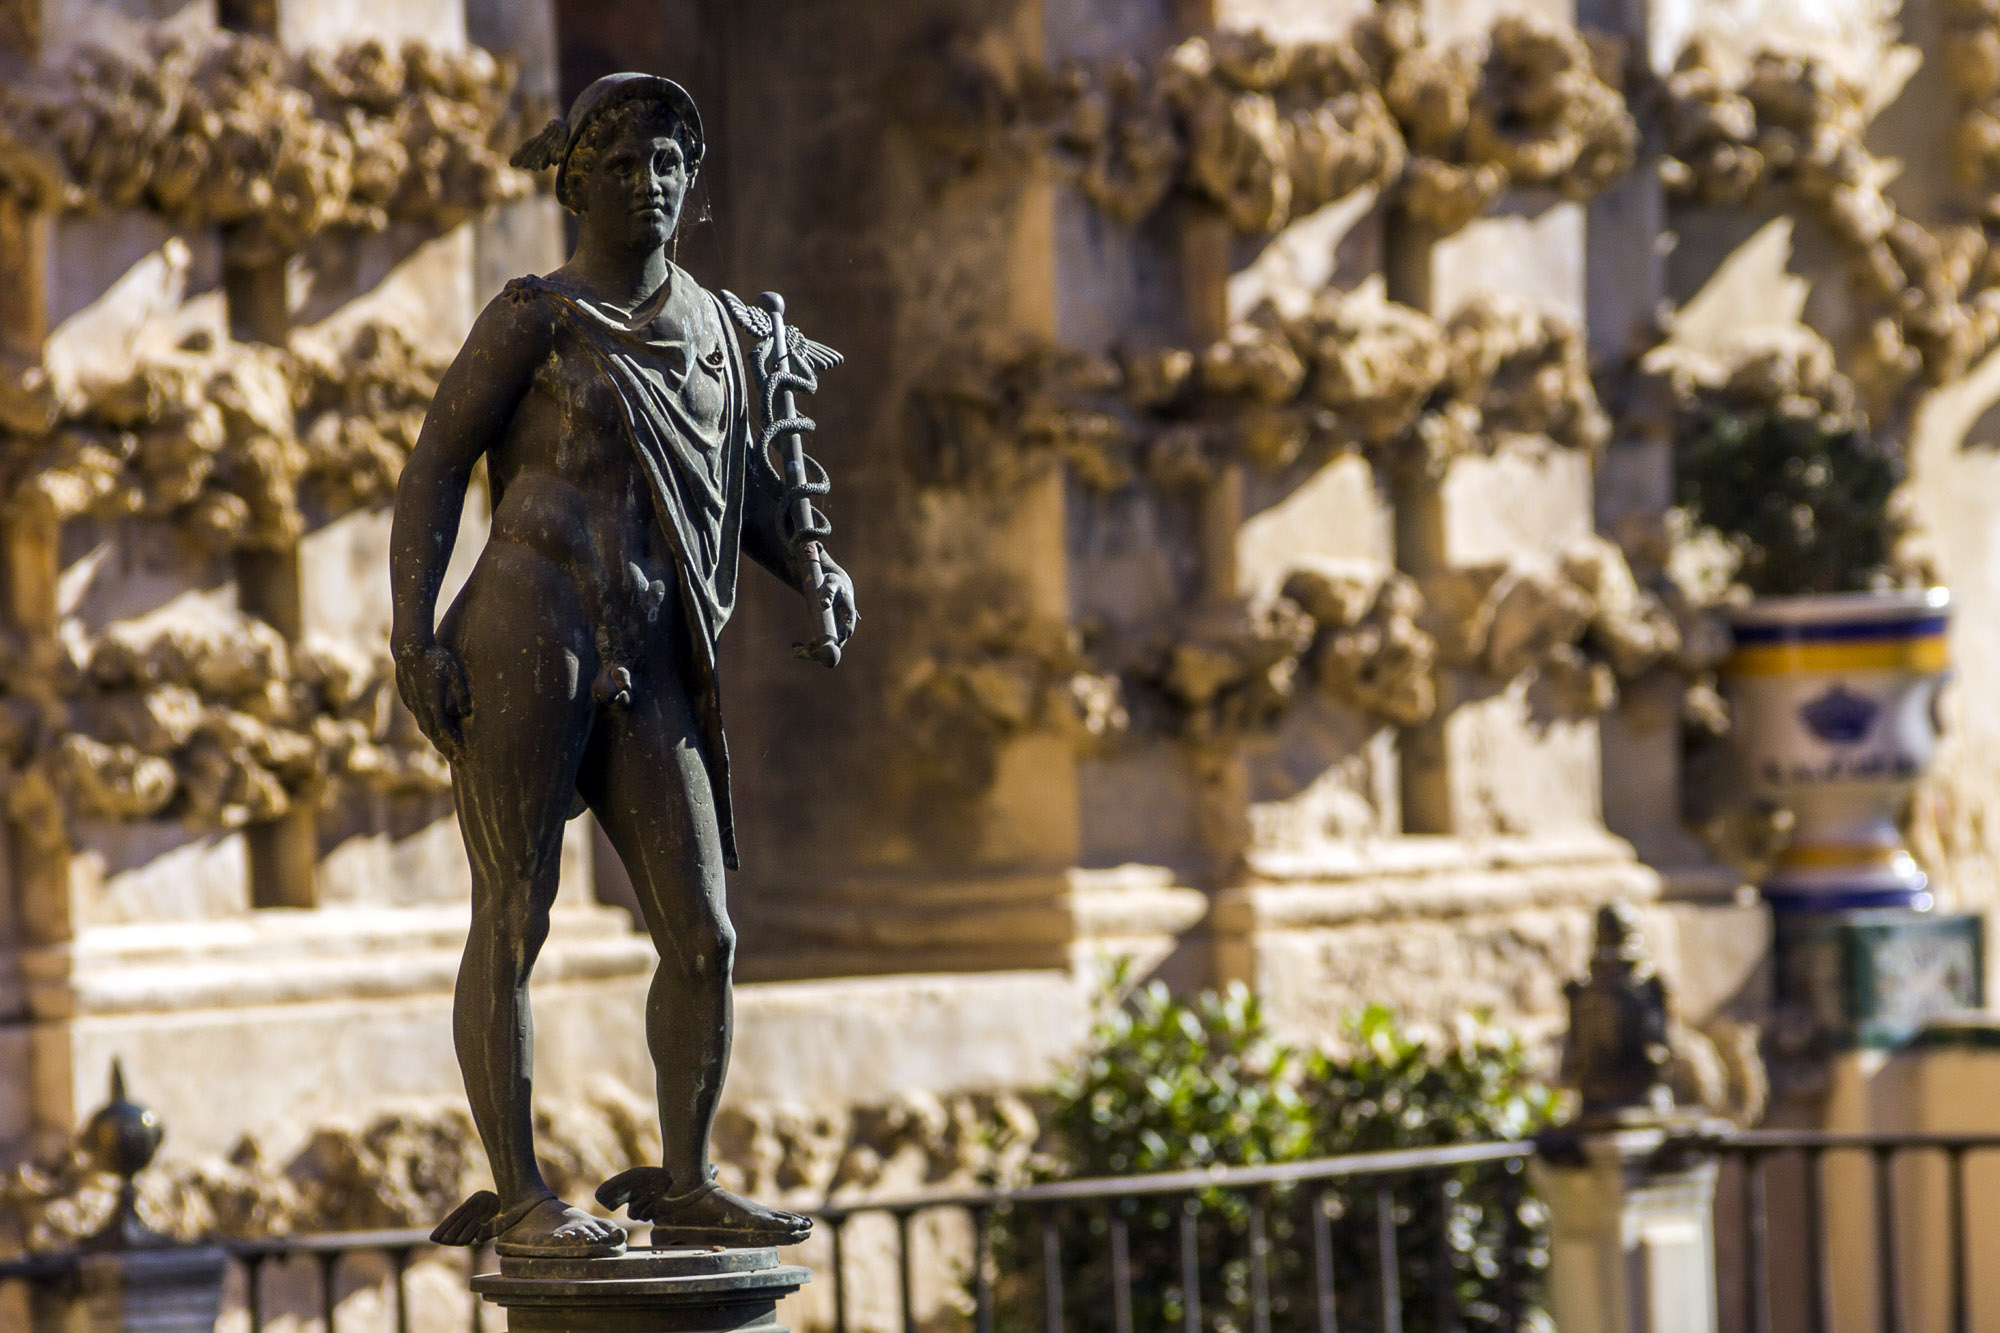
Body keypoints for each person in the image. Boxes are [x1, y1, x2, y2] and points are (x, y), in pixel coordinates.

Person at [389, 73, 857, 1258]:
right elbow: (435, 465)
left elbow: (745, 490)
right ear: (574, 184)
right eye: (619, 166)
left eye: (666, 164)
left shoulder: (723, 329)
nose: (647, 184)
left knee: (704, 933)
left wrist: (816, 570)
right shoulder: (535, 317)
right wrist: (412, 632)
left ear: (689, 182)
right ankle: (521, 1193)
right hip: (527, 625)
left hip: (651, 648)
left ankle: (687, 1176)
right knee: (514, 912)